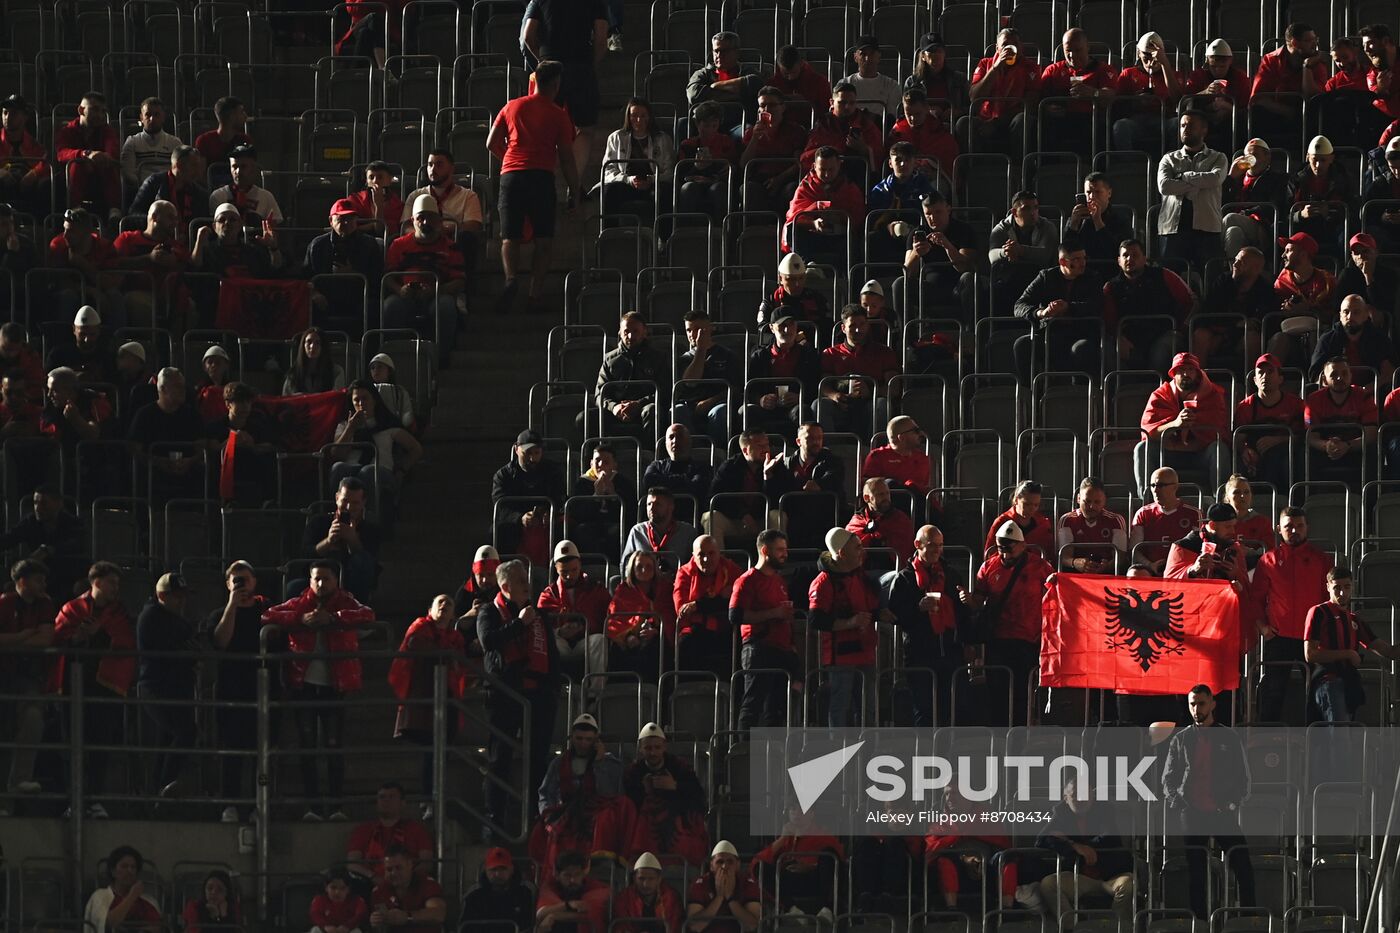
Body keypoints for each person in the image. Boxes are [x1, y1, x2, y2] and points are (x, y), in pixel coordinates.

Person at [262, 560, 375, 821]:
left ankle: (336, 807)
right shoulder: (301, 603)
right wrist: (300, 619)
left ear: (336, 580)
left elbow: (367, 614)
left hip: (335, 686)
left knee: (334, 746)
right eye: (316, 579)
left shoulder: (346, 601)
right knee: (308, 746)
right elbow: (268, 615)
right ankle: (312, 807)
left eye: (326, 579)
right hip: (304, 686)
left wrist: (334, 619)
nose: (321, 584)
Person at [477, 559, 561, 840]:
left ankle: (538, 819)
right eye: (522, 582)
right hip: (504, 695)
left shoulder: (539, 615)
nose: (528, 587)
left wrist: (552, 689)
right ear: (505, 586)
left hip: (538, 695)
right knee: (499, 758)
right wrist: (518, 624)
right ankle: (493, 821)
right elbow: (489, 641)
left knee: (538, 759)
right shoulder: (489, 611)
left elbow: (551, 653)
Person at [488, 60, 580, 315]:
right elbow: (567, 158)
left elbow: (490, 143)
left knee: (509, 235)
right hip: (540, 177)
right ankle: (534, 295)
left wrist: (507, 158)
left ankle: (510, 279)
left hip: (511, 176)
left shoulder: (511, 106)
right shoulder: (558, 114)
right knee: (544, 240)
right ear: (556, 83)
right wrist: (574, 190)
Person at [1161, 685, 1256, 919]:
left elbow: (1243, 777)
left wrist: (1232, 804)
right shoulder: (1181, 739)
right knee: (1197, 872)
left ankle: (1248, 917)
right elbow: (1168, 778)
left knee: (1243, 866)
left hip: (1221, 811)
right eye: (1192, 704)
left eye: (1201, 703)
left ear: (1212, 704)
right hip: (1192, 813)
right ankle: (1200, 921)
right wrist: (1179, 802)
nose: (1196, 709)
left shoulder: (1228, 737)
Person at [53, 562, 135, 819]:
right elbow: (59, 637)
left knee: (100, 745)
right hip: (72, 687)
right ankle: (74, 800)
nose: (116, 589)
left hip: (104, 688)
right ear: (96, 582)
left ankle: (94, 798)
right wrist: (78, 636)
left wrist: (100, 633)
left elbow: (125, 642)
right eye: (112, 583)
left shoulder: (119, 613)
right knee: (72, 744)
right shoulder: (72, 608)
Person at [961, 520, 1054, 726]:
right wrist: (969, 600)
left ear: (1022, 545)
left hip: (1028, 639)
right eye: (1001, 549)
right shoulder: (989, 567)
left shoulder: (1039, 566)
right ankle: (999, 738)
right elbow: (979, 601)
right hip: (998, 638)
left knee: (1022, 694)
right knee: (997, 693)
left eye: (1009, 549)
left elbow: (1056, 594)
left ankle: (1020, 738)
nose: (1005, 555)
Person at [1252, 506, 1332, 723]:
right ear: (1279, 529)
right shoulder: (1267, 560)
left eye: (1299, 526)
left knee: (1319, 693)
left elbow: (1330, 599)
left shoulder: (1321, 560)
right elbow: (1256, 599)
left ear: (1307, 527)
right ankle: (1265, 743)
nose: (1294, 530)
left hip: (1314, 638)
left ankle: (1317, 743)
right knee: (1273, 693)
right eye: (1289, 526)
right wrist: (1263, 628)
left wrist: (1325, 631)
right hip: (1279, 637)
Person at [885, 524, 968, 726]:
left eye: (940, 546)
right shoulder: (904, 578)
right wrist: (917, 608)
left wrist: (967, 602)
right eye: (931, 545)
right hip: (919, 654)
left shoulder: (950, 575)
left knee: (950, 709)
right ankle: (924, 755)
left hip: (950, 652)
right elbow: (894, 615)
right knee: (924, 710)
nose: (937, 550)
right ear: (917, 545)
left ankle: (946, 754)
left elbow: (961, 613)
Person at [389, 596, 467, 811]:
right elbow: (415, 648)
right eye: (440, 602)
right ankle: (428, 799)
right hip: (424, 699)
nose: (444, 606)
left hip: (447, 698)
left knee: (442, 752)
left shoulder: (455, 637)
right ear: (429, 609)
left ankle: (436, 799)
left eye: (449, 604)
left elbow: (460, 664)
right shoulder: (420, 628)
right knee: (431, 751)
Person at [533, 712, 632, 873]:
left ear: (596, 740)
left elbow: (612, 795)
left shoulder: (611, 764)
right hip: (564, 810)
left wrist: (599, 764)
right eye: (579, 739)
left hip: (595, 811)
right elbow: (545, 793)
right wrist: (548, 816)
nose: (583, 744)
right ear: (572, 738)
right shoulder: (558, 763)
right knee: (548, 830)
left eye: (588, 739)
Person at [208, 561, 268, 822]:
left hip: (262, 688)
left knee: (261, 750)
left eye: (245, 579)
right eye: (236, 580)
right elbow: (221, 641)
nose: (241, 584)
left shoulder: (267, 612)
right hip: (230, 687)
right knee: (231, 749)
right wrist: (232, 604)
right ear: (228, 584)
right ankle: (230, 804)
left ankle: (258, 805)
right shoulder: (220, 614)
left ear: (254, 581)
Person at [1035, 776, 1137, 930]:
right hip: (1078, 876)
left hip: (1110, 874)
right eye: (1075, 794)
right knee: (1049, 884)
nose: (1082, 799)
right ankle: (1072, 928)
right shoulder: (1060, 812)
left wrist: (1077, 845)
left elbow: (1109, 838)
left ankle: (1117, 927)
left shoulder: (1105, 809)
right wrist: (1073, 845)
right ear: (1066, 798)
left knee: (1128, 884)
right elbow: (1041, 840)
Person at [522, 0, 607, 185]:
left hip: (549, 67)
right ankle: (573, 187)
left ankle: (544, 183)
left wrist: (543, 61)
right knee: (584, 130)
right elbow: (601, 38)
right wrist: (591, 66)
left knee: (545, 131)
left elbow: (528, 35)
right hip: (580, 66)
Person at [810, 527, 885, 726]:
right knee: (840, 707)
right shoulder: (823, 583)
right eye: (857, 548)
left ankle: (868, 751)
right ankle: (839, 750)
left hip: (866, 651)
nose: (863, 551)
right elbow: (816, 620)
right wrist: (850, 623)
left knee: (868, 708)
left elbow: (871, 607)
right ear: (842, 553)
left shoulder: (861, 577)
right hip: (841, 657)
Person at [1305, 566, 1400, 722]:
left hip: (1349, 682)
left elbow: (1388, 652)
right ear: (1328, 587)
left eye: (1347, 587)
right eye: (1337, 588)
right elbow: (1310, 654)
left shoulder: (1354, 619)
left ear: (1352, 587)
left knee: (1345, 736)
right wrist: (1348, 653)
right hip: (1328, 681)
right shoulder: (1319, 612)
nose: (1342, 593)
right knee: (1339, 736)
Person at [135, 571, 197, 798]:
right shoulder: (152, 617)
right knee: (184, 732)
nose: (182, 601)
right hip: (157, 686)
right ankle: (165, 785)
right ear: (162, 595)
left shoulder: (168, 617)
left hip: (172, 686)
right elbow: (172, 652)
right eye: (177, 596)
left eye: (184, 596)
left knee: (168, 737)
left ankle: (157, 790)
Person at [1136, 352, 1229, 498]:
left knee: (1219, 449)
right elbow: (1149, 432)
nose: (1186, 374)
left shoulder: (1213, 395)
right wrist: (1175, 424)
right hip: (1168, 454)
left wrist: (1198, 423)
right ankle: (1146, 502)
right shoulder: (1160, 395)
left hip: (1200, 454)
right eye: (1180, 370)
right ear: (1173, 374)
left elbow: (1219, 431)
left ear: (1198, 373)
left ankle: (1222, 504)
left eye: (1190, 370)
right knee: (1142, 448)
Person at [383, 194, 462, 361]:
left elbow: (459, 280)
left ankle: (440, 359)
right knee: (391, 306)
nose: (426, 223)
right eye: (421, 218)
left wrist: (436, 291)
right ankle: (396, 359)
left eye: (431, 218)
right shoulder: (398, 245)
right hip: (405, 295)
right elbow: (388, 276)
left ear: (439, 220)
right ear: (413, 220)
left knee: (445, 307)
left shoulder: (451, 247)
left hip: (437, 295)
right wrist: (400, 289)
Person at [330, 381, 422, 526]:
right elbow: (336, 454)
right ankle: (338, 518)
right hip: (352, 468)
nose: (361, 403)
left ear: (374, 400)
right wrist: (351, 428)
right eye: (356, 400)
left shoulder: (387, 425)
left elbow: (415, 448)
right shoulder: (345, 425)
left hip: (381, 470)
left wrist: (402, 470)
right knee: (338, 468)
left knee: (368, 472)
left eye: (365, 398)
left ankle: (371, 521)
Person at [732, 529, 798, 729]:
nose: (784, 554)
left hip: (781, 649)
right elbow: (735, 615)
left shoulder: (778, 580)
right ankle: (742, 752)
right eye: (779, 550)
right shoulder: (747, 580)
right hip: (759, 648)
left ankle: (772, 754)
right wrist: (774, 613)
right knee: (753, 703)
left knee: (776, 707)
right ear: (764, 551)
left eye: (785, 550)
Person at [0, 559, 54, 799]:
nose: (43, 584)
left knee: (33, 718)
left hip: (29, 677)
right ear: (21, 581)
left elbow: (45, 640)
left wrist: (11, 641)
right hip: (4, 675)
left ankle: (19, 780)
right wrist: (23, 635)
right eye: (38, 579)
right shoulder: (4, 603)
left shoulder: (45, 604)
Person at [1012, 238, 1104, 378]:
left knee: (1083, 349)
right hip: (1050, 333)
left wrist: (1068, 307)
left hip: (1079, 333)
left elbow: (1096, 305)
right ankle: (1031, 393)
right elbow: (1020, 305)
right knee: (1023, 344)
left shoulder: (1092, 278)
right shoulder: (1046, 277)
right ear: (1063, 262)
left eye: (1084, 258)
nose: (1083, 263)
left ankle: (1084, 394)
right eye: (1077, 259)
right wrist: (1041, 313)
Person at [623, 723, 709, 867]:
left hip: (678, 816)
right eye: (648, 748)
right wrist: (644, 791)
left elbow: (698, 797)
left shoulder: (679, 766)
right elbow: (629, 803)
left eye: (657, 748)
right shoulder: (633, 772)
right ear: (640, 749)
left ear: (664, 746)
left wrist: (675, 786)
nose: (653, 753)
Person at [1104, 238, 1196, 373]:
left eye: (1135, 255)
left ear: (1144, 258)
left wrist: (1182, 328)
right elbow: (1108, 320)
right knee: (1107, 349)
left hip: (1165, 334)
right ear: (1119, 261)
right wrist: (1118, 337)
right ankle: (1124, 391)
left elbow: (1191, 302)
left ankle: (1161, 391)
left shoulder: (1164, 275)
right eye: (1125, 255)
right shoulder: (1111, 287)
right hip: (1129, 338)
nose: (1130, 259)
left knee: (1161, 352)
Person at [1158, 110, 1228, 270]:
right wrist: (1199, 182)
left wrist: (1183, 176)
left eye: (1190, 125)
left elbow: (1215, 179)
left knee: (1210, 279)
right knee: (1170, 280)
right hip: (1172, 229)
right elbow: (1165, 186)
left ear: (1204, 129)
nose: (1185, 129)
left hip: (1207, 228)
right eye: (1182, 125)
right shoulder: (1169, 158)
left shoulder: (1218, 157)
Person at [816, 303, 898, 436]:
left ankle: (877, 450)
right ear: (843, 328)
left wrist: (871, 392)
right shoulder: (830, 353)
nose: (858, 330)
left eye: (862, 324)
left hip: (870, 403)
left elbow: (894, 388)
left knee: (883, 405)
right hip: (841, 405)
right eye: (853, 325)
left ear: (868, 325)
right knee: (820, 405)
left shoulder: (884, 352)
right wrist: (834, 395)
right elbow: (823, 384)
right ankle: (829, 451)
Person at [127, 367, 207, 502]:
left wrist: (190, 461)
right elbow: (134, 449)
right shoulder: (145, 415)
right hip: (154, 470)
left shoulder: (192, 415)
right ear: (163, 389)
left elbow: (202, 447)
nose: (183, 390)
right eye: (177, 386)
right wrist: (159, 461)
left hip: (186, 469)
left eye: (183, 386)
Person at [705, 430, 794, 551]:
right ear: (745, 450)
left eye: (766, 445)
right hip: (736, 520)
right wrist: (742, 514)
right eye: (759, 446)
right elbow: (715, 497)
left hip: (763, 520)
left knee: (778, 515)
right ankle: (718, 564)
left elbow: (781, 501)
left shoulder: (777, 466)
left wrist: (767, 476)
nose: (765, 449)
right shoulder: (730, 467)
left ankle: (774, 562)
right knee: (711, 517)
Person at [962, 27, 1040, 158]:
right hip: (985, 119)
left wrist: (996, 123)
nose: (1010, 48)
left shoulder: (1031, 67)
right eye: (1005, 45)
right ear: (997, 48)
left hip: (1011, 120)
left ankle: (1018, 169)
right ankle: (973, 169)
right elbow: (974, 97)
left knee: (1023, 120)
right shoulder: (984, 64)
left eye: (1015, 44)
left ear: (1021, 47)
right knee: (963, 123)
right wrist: (995, 68)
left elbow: (1030, 104)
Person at [491, 429, 566, 565]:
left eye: (536, 453)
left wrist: (551, 513)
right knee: (498, 531)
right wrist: (520, 518)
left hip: (547, 521)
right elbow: (500, 506)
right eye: (527, 453)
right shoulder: (503, 476)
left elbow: (560, 497)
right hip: (517, 522)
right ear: (516, 450)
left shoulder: (553, 471)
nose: (532, 458)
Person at [537, 539, 611, 676]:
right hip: (561, 644)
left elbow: (608, 620)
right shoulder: (548, 595)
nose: (570, 575)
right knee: (549, 639)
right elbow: (540, 627)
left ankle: (595, 693)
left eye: (574, 570)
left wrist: (584, 627)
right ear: (556, 569)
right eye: (564, 572)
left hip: (585, 641)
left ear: (580, 565)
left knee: (599, 640)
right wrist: (560, 631)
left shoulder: (596, 589)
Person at [304, 199, 385, 325]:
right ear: (331, 221)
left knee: (373, 307)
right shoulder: (317, 246)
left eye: (351, 218)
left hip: (359, 298)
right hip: (326, 297)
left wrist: (353, 274)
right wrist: (314, 293)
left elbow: (377, 279)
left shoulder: (369, 244)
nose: (347, 222)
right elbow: (305, 277)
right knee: (308, 305)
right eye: (341, 219)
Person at [745, 313, 823, 439]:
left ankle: (799, 452)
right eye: (782, 326)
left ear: (796, 326)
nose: (787, 330)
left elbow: (817, 386)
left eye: (790, 325)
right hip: (767, 407)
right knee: (747, 411)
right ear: (771, 328)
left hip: (794, 406)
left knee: (802, 411)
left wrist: (801, 397)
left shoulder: (809, 355)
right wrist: (760, 400)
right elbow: (749, 388)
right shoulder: (760, 356)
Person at [1038, 29, 1118, 153]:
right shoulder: (1052, 70)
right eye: (1068, 51)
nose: (1072, 55)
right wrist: (1048, 108)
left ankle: (1099, 168)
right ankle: (1047, 169)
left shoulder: (1103, 69)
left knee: (1100, 127)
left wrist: (1093, 93)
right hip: (1061, 119)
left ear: (1088, 48)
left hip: (1090, 118)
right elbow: (1039, 98)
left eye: (1077, 50)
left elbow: (1111, 95)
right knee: (1042, 126)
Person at [673, 535, 742, 678]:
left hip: (726, 627)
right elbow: (682, 610)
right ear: (693, 556)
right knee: (685, 644)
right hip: (696, 629)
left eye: (711, 553)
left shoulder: (731, 569)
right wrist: (720, 600)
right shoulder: (684, 573)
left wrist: (698, 605)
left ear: (719, 553)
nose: (706, 559)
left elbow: (738, 604)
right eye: (701, 554)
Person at [902, 189, 978, 320]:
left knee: (968, 278)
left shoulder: (964, 230)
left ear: (948, 209)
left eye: (938, 212)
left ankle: (970, 331)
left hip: (957, 286)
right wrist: (916, 253)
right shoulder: (918, 233)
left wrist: (947, 246)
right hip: (929, 288)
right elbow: (906, 272)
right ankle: (908, 334)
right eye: (928, 214)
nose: (933, 218)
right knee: (899, 284)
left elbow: (965, 267)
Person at [785, 145, 866, 265]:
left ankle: (847, 279)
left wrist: (840, 218)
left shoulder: (849, 188)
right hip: (813, 235)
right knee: (792, 230)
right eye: (823, 170)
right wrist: (813, 222)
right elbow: (794, 216)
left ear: (839, 165)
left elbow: (858, 217)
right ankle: (807, 267)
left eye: (831, 169)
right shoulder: (805, 187)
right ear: (814, 167)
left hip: (840, 236)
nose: (827, 174)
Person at [1196, 248, 1276, 368]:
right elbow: (1207, 314)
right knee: (1200, 334)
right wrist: (1236, 325)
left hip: (1241, 338)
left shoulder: (1265, 290)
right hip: (1219, 333)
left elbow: (1260, 324)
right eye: (1236, 260)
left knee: (1253, 338)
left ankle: (1250, 384)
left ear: (1256, 269)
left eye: (1242, 262)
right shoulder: (1222, 282)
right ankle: (1198, 381)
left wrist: (1231, 331)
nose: (1235, 264)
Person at [1234, 353, 1304, 491]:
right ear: (1254, 380)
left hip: (1286, 452)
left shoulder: (1295, 404)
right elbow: (1239, 439)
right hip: (1256, 452)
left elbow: (1302, 437)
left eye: (1270, 372)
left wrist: (1277, 440)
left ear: (1280, 378)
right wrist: (1245, 450)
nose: (1265, 376)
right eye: (1260, 373)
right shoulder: (1245, 407)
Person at [1304, 356, 1378, 486]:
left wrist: (1347, 445)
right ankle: (1311, 500)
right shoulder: (1313, 400)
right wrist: (1327, 446)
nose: (1339, 378)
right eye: (1334, 374)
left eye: (1344, 373)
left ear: (1350, 375)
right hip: (1325, 450)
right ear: (1324, 380)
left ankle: (1370, 502)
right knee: (1302, 456)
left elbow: (1371, 433)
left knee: (1372, 453)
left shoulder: (1364, 396)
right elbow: (1310, 436)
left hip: (1355, 448)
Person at [347, 781, 434, 891]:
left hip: (409, 885)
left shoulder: (417, 830)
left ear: (403, 803)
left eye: (391, 797)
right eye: (382, 797)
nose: (386, 800)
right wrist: (373, 877)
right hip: (370, 884)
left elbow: (427, 863)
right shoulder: (362, 831)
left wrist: (405, 879)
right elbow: (352, 863)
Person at [0, 485, 84, 599]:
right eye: (35, 503)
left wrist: (48, 550)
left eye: (44, 503)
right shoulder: (30, 522)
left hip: (66, 573)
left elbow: (77, 545)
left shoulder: (73, 523)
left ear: (59, 504)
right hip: (38, 573)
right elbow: (9, 539)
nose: (37, 508)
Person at [595, 310, 668, 440]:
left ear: (645, 332)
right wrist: (614, 407)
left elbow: (665, 391)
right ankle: (598, 456)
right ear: (619, 332)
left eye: (635, 331)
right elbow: (600, 394)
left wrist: (639, 404)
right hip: (617, 410)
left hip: (645, 408)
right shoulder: (609, 359)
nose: (630, 336)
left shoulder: (658, 358)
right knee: (584, 418)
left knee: (652, 411)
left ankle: (651, 455)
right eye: (626, 331)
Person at [403, 149, 484, 266]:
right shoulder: (415, 195)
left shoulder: (468, 195)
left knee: (468, 238)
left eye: (439, 164)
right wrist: (425, 233)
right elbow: (405, 226)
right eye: (430, 165)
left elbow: (474, 225)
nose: (433, 169)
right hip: (421, 238)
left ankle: (463, 280)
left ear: (451, 169)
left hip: (452, 239)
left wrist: (445, 229)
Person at [674, 310, 740, 446]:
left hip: (718, 403)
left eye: (698, 329)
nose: (693, 335)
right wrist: (701, 350)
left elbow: (735, 388)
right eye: (689, 330)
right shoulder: (684, 359)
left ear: (710, 328)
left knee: (720, 412)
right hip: (690, 404)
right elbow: (690, 383)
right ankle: (690, 453)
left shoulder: (728, 355)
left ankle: (717, 454)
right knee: (677, 410)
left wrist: (709, 402)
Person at [601, 97, 674, 221]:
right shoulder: (616, 137)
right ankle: (610, 235)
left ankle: (665, 237)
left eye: (643, 116)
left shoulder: (662, 139)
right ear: (628, 117)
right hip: (626, 184)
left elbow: (670, 171)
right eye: (634, 116)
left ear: (649, 117)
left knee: (665, 192)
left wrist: (651, 180)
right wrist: (628, 179)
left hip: (653, 185)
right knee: (610, 191)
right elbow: (607, 171)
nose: (638, 120)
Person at [1250, 22, 1327, 139]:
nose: (1315, 44)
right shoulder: (1271, 60)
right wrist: (1288, 111)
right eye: (1309, 40)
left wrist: (1307, 67)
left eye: (1315, 39)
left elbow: (1312, 97)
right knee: (1256, 113)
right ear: (1295, 43)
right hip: (1276, 111)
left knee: (1316, 114)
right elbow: (1258, 98)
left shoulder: (1316, 61)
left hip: (1304, 113)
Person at [739, 85, 808, 214]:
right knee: (748, 189)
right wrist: (754, 139)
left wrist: (779, 179)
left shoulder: (795, 131)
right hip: (760, 179)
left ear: (782, 107)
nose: (767, 109)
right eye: (762, 105)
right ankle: (756, 230)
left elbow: (799, 162)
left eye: (772, 105)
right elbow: (744, 164)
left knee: (792, 189)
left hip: (786, 177)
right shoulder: (750, 133)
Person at [989, 190, 1059, 315]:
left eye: (1036, 208)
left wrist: (1020, 250)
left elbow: (1045, 255)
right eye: (1026, 208)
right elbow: (992, 255)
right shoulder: (1002, 228)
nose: (1033, 213)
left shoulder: (1047, 227)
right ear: (1014, 212)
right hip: (1009, 279)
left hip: (1039, 277)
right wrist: (1006, 252)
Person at [1112, 32, 1182, 155]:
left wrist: (1164, 63)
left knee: (1178, 124)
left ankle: (1173, 161)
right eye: (1146, 55)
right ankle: (1128, 165)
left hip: (1163, 118)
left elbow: (1178, 98)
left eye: (1153, 55)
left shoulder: (1172, 74)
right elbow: (1117, 104)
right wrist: (1135, 101)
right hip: (1136, 119)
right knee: (1121, 126)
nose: (1150, 60)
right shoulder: (1128, 73)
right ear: (1139, 53)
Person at [607, 550, 673, 680]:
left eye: (649, 566)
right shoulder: (623, 591)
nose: (644, 570)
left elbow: (670, 617)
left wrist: (656, 631)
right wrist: (628, 636)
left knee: (656, 649)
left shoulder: (665, 589)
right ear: (632, 569)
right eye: (639, 566)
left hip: (657, 638)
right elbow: (614, 620)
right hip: (629, 640)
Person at [1221, 139, 1292, 258]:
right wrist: (1230, 178)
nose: (1251, 159)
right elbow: (1221, 203)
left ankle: (1211, 254)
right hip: (1239, 225)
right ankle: (1233, 272)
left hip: (1262, 225)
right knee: (1233, 232)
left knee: (1230, 218)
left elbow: (1275, 205)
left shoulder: (1279, 179)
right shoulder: (1237, 178)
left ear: (1267, 157)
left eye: (1255, 155)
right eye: (1247, 155)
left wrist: (1247, 212)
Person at [55, 92, 121, 219]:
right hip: (74, 174)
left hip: (100, 173)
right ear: (81, 110)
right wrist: (85, 155)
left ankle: (114, 212)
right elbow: (61, 153)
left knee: (109, 163)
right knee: (77, 164)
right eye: (95, 109)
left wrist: (98, 159)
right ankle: (75, 210)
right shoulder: (67, 131)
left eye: (103, 111)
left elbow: (112, 151)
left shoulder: (107, 130)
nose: (100, 115)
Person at [800, 81, 885, 180]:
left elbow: (879, 151)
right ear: (832, 102)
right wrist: (835, 150)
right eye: (842, 102)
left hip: (855, 175)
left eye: (852, 103)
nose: (847, 107)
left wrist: (864, 149)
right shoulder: (823, 123)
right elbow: (808, 155)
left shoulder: (865, 122)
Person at [687, 31, 763, 133]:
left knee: (747, 131)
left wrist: (714, 86)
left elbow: (756, 83)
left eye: (724, 51)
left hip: (738, 123)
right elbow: (694, 94)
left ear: (736, 52)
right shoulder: (702, 74)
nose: (719, 55)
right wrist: (737, 93)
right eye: (716, 51)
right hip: (707, 124)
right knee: (683, 124)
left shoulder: (747, 71)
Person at [1310, 294, 1395, 384]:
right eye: (1346, 312)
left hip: (1371, 393)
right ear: (1340, 315)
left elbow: (1389, 374)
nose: (1350, 317)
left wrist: (1366, 390)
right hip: (1335, 392)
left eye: (1356, 312)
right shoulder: (1327, 340)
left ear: (1366, 315)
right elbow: (1316, 375)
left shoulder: (1379, 339)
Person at [1184, 39, 1252, 151]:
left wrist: (1228, 107)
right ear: (1207, 62)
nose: (1218, 70)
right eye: (1214, 66)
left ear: (1230, 62)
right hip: (1204, 118)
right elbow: (1185, 101)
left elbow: (1246, 107)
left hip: (1230, 120)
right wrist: (1205, 93)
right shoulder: (1198, 75)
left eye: (1222, 67)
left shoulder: (1240, 77)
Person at [1130, 467, 1202, 572]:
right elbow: (1134, 550)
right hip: (1150, 570)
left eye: (1160, 485)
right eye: (1152, 485)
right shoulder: (1143, 513)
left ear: (1175, 487)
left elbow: (1199, 548)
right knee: (1134, 573)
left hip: (1183, 570)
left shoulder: (1193, 514)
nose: (1155, 490)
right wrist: (1150, 565)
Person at [1291, 136, 1351, 258]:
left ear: (1331, 159)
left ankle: (1343, 271)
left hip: (1333, 227)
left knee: (1347, 236)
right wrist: (1300, 215)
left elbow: (1354, 211)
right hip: (1304, 226)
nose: (1318, 165)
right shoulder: (1295, 180)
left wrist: (1330, 212)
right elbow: (1284, 212)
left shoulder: (1343, 180)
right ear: (1308, 157)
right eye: (1315, 160)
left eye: (1323, 160)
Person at [676, 102, 737, 223]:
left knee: (719, 189)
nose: (710, 130)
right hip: (694, 181)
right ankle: (687, 232)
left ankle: (722, 232)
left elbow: (733, 167)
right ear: (697, 124)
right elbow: (680, 174)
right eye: (706, 125)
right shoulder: (688, 145)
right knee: (688, 189)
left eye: (714, 125)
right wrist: (695, 167)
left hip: (717, 181)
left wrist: (725, 171)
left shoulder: (726, 142)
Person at [687, 841, 763, 933]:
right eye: (720, 862)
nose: (724, 866)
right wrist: (719, 898)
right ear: (711, 866)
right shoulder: (700, 884)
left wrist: (730, 898)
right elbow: (695, 926)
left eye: (730, 862)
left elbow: (752, 926)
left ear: (738, 865)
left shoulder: (748, 884)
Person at [1057, 476, 1129, 572]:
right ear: (1078, 499)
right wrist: (1075, 562)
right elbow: (1064, 556)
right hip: (1076, 572)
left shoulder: (1116, 520)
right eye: (1087, 501)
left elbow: (1120, 557)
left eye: (1097, 502)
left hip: (1108, 573)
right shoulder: (1067, 520)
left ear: (1104, 501)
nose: (1091, 506)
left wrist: (1107, 566)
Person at [129, 145, 207, 233]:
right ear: (179, 165)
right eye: (194, 166)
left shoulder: (200, 193)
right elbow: (134, 214)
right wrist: (157, 221)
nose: (198, 171)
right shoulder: (153, 183)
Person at [192, 202, 281, 278]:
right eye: (222, 220)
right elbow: (195, 271)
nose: (227, 223)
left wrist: (273, 248)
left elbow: (274, 271)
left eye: (232, 220)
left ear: (240, 224)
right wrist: (198, 242)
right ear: (214, 227)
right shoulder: (208, 251)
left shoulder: (252, 251)